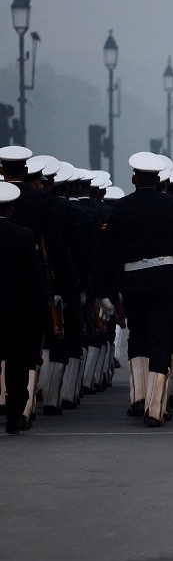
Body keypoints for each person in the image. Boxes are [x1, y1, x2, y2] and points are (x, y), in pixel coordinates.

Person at [97, 152, 173, 428]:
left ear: (134, 178)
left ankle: (138, 397)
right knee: (161, 339)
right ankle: (156, 408)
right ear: (159, 180)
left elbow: (108, 254)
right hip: (164, 281)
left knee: (138, 337)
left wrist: (105, 290)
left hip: (132, 281)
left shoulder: (120, 208)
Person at [0, 181, 48, 434]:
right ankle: (14, 415)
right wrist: (42, 311)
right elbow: (34, 278)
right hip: (16, 312)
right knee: (17, 366)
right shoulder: (24, 236)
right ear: (10, 211)